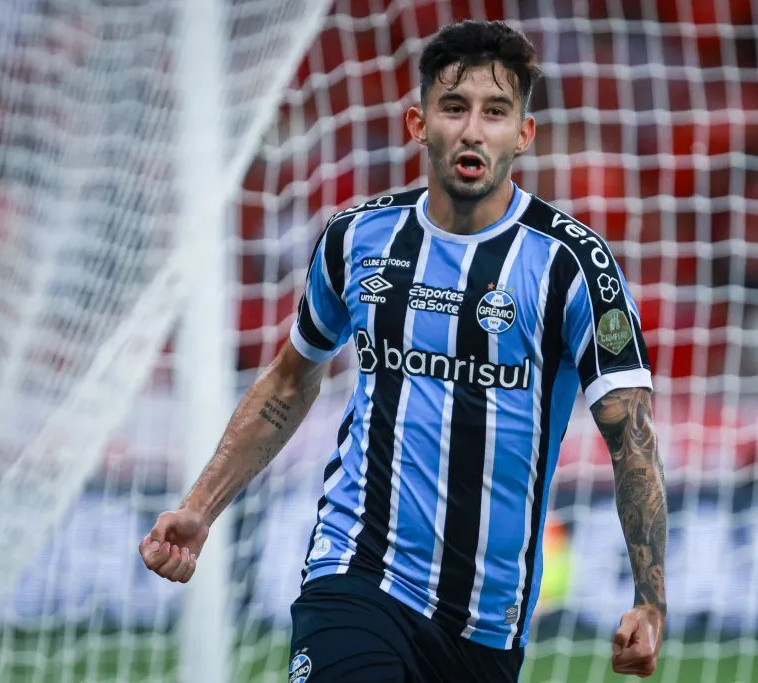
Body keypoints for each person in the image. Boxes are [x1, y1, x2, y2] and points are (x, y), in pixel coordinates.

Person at [139, 20, 667, 683]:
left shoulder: (572, 264)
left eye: (496, 112)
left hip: (487, 623)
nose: (473, 129)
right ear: (419, 123)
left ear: (522, 136)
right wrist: (201, 504)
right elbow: (287, 381)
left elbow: (632, 437)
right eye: (454, 107)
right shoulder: (357, 238)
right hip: (356, 574)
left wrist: (651, 599)